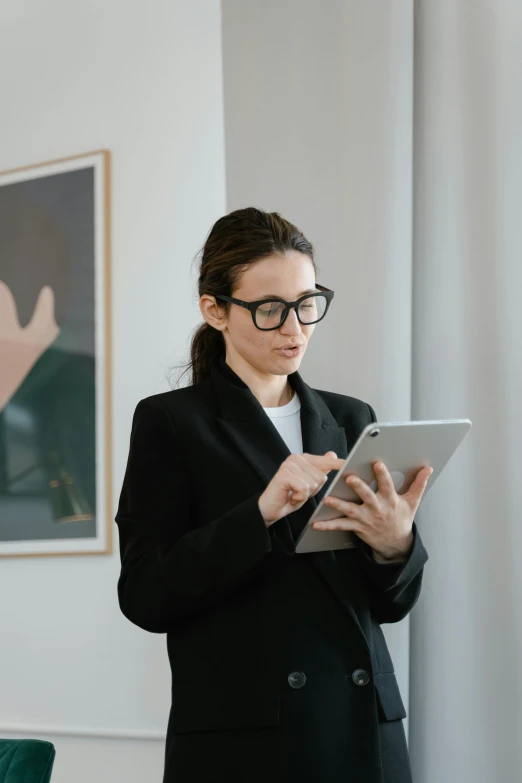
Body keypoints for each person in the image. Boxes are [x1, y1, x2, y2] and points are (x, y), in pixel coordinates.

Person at [114, 207, 431, 783]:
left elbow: (388, 606)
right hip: (249, 741)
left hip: (363, 729)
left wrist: (396, 545)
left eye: (308, 302)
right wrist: (260, 512)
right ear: (216, 310)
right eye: (269, 310)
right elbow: (144, 594)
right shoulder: (171, 422)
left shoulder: (351, 417)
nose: (295, 327)